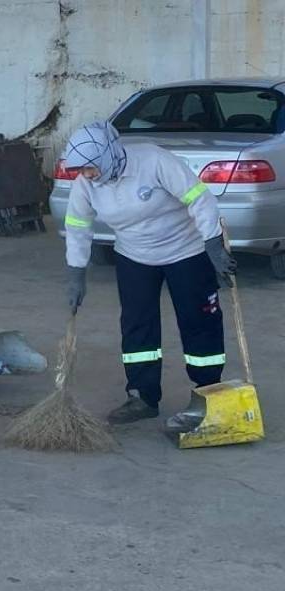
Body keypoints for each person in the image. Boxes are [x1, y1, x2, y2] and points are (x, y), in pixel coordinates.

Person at [60, 121, 236, 431]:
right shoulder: (86, 183)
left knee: (199, 322)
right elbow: (77, 225)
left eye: (89, 167)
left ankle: (207, 391)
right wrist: (77, 272)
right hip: (135, 256)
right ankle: (142, 396)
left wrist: (213, 244)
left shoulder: (153, 161)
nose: (86, 175)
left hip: (187, 251)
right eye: (80, 170)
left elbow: (199, 198)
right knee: (137, 325)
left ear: (107, 154)